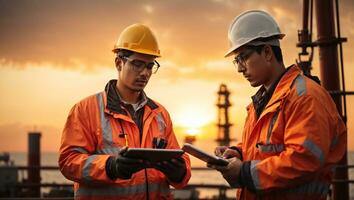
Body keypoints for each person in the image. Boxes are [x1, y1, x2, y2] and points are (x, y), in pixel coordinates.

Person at [208, 10, 347, 200]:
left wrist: (244, 172)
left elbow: (304, 159)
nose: (240, 68)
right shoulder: (264, 101)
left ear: (266, 52)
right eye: (236, 61)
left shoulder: (305, 97)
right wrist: (239, 153)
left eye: (243, 58)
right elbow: (267, 147)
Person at [59, 23, 191, 200]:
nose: (145, 73)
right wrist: (110, 166)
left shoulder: (160, 114)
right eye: (137, 64)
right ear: (118, 63)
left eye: (150, 66)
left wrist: (180, 172)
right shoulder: (85, 110)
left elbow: (180, 169)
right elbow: (68, 162)